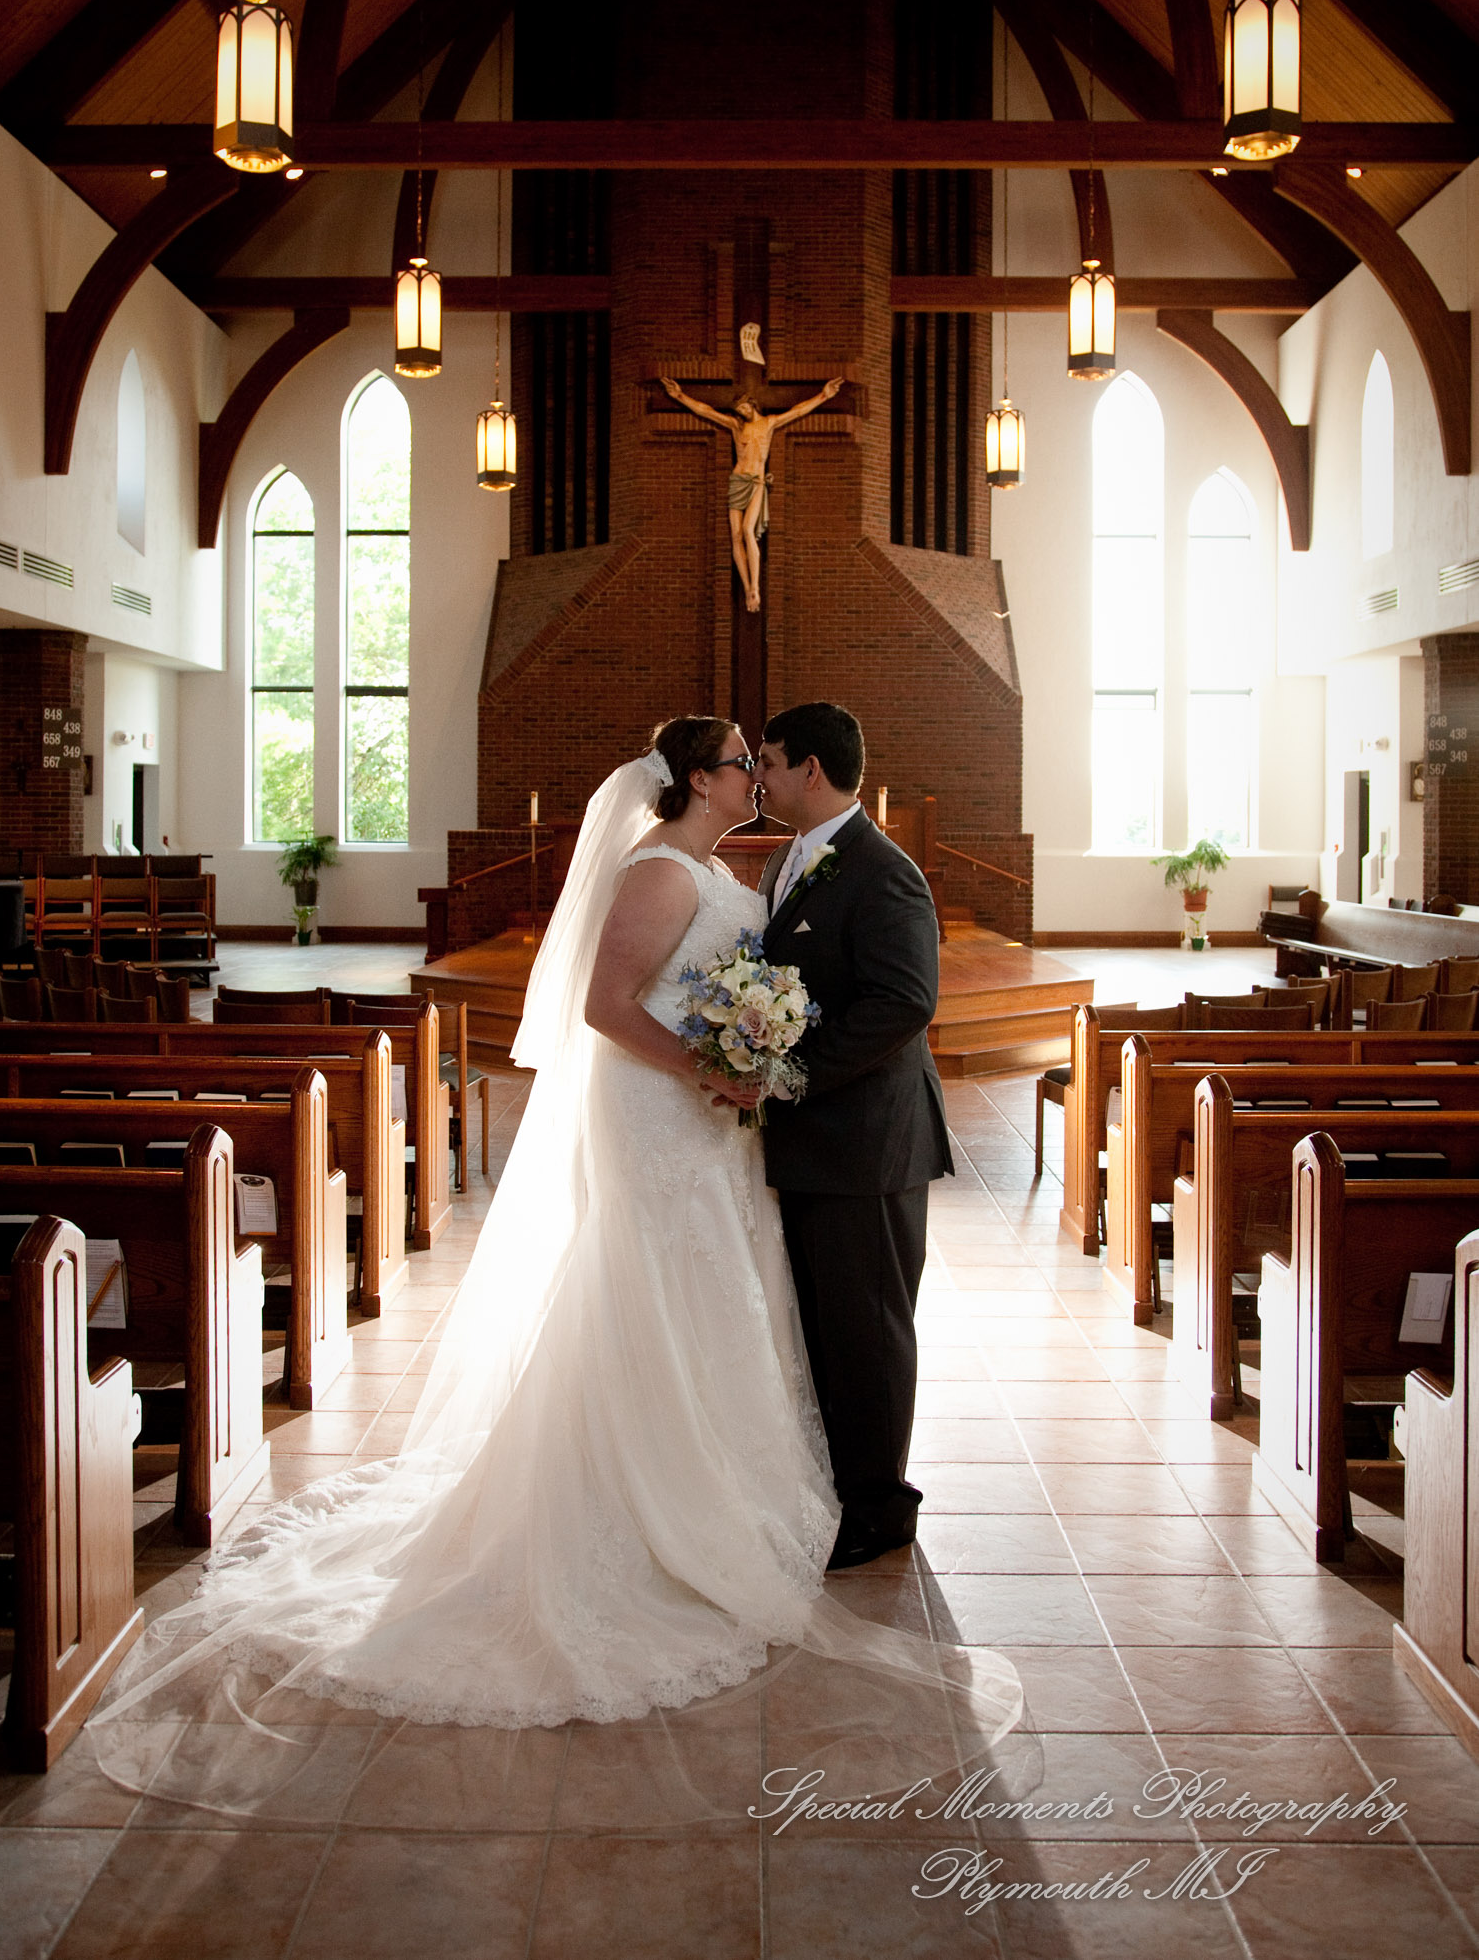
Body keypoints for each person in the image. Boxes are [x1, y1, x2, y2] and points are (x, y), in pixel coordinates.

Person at [86, 716, 1022, 1821]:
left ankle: (758, 1482)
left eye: (761, 760)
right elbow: (605, 1004)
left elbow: (852, 993)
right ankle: (651, 1503)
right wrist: (718, 1071)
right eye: (738, 761)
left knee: (727, 1298)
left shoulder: (752, 867)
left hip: (720, 1116)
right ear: (695, 781)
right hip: (669, 1112)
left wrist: (749, 1066)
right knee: (656, 1293)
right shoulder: (666, 868)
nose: (751, 774)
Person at [755, 702, 952, 1571]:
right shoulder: (789, 861)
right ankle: (837, 1485)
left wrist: (791, 1073)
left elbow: (905, 1002)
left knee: (867, 1328)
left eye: (768, 760)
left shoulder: (883, 870)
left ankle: (880, 1506)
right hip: (816, 1139)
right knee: (826, 1325)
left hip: (866, 1142)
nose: (759, 775)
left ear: (811, 770)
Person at [658, 375, 844, 612]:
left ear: (752, 404)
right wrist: (680, 396)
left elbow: (798, 411)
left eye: (744, 406)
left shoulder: (768, 423)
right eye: (738, 409)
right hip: (737, 481)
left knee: (747, 530)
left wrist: (824, 395)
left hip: (756, 481)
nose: (742, 411)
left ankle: (756, 585)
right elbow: (707, 411)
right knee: (735, 535)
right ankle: (747, 588)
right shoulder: (737, 427)